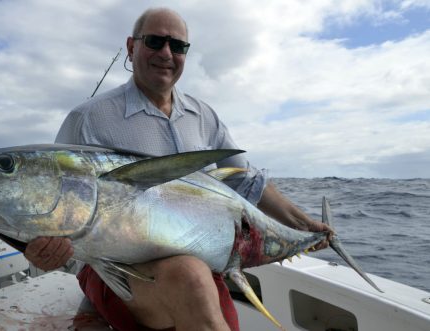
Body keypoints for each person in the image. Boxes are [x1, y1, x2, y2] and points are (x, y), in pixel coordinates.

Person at [24, 7, 332, 331]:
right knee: (191, 279)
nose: (166, 54)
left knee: (194, 280)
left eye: (178, 46)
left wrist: (305, 224)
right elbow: (53, 198)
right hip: (115, 270)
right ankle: (100, 308)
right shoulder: (89, 119)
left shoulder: (204, 116)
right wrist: (40, 249)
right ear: (131, 47)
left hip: (199, 269)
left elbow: (247, 182)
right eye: (155, 42)